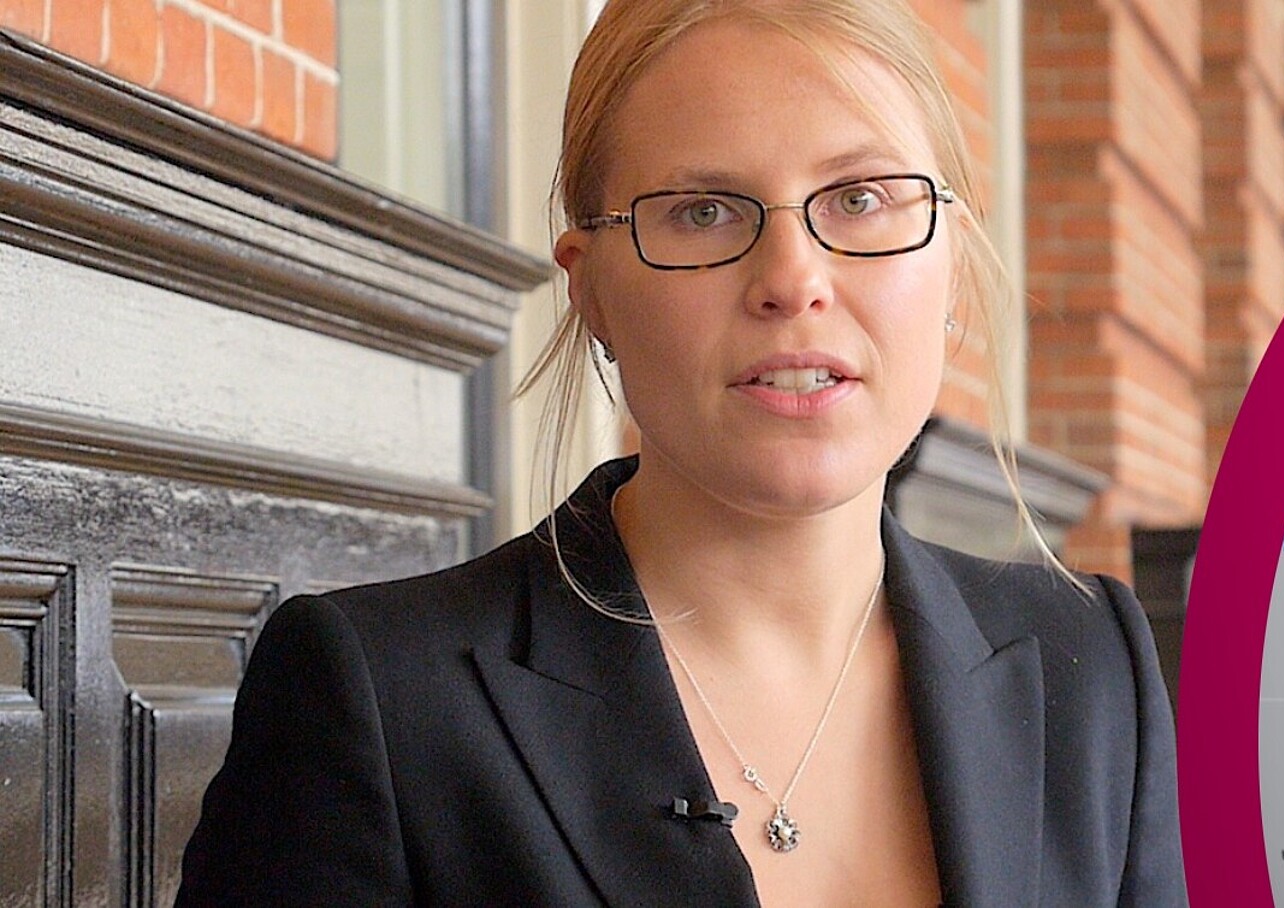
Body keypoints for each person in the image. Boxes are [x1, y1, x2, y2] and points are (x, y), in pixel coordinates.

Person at [174, 0, 1186, 904]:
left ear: (950, 259)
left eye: (861, 197)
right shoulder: (377, 698)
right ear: (592, 289)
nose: (794, 279)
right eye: (704, 211)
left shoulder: (1089, 662)